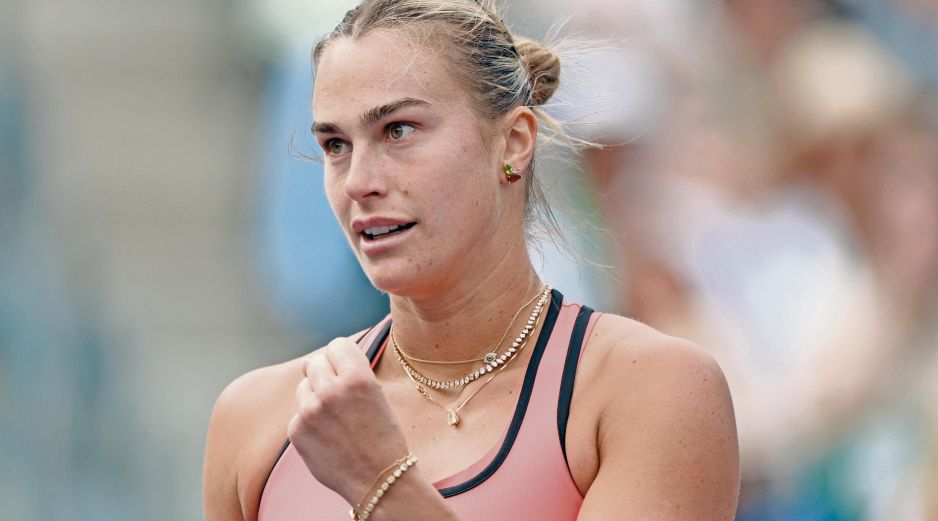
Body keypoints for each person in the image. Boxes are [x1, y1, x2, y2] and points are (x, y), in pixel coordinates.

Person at [203, 1, 739, 519]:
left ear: (513, 142)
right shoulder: (256, 418)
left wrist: (381, 482)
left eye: (399, 131)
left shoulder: (652, 389)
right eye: (336, 145)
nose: (359, 183)